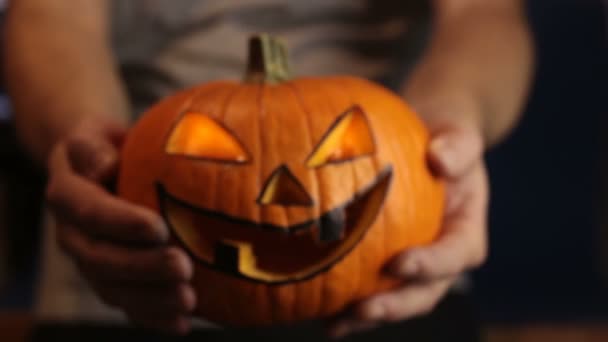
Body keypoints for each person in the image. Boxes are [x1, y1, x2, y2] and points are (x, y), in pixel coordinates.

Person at [4, 0, 533, 340]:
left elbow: (483, 15)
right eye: (214, 151)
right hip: (123, 271)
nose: (285, 196)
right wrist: (84, 140)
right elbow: (53, 15)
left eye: (334, 154)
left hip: (397, 271)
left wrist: (444, 130)